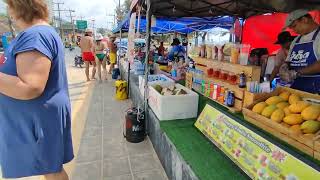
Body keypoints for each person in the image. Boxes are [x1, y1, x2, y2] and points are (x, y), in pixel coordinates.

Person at [0, 0, 73, 179]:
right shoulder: (38, 33)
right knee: (50, 168)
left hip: (38, 118)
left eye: (9, 5)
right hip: (39, 116)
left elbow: (30, 87)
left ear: (18, 7)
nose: (9, 11)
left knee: (51, 169)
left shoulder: (35, 35)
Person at [280, 9, 320, 93]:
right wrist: (284, 66)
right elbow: (289, 60)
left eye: (294, 26)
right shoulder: (296, 40)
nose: (294, 30)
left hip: (316, 88)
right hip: (297, 88)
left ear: (304, 19)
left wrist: (297, 73)